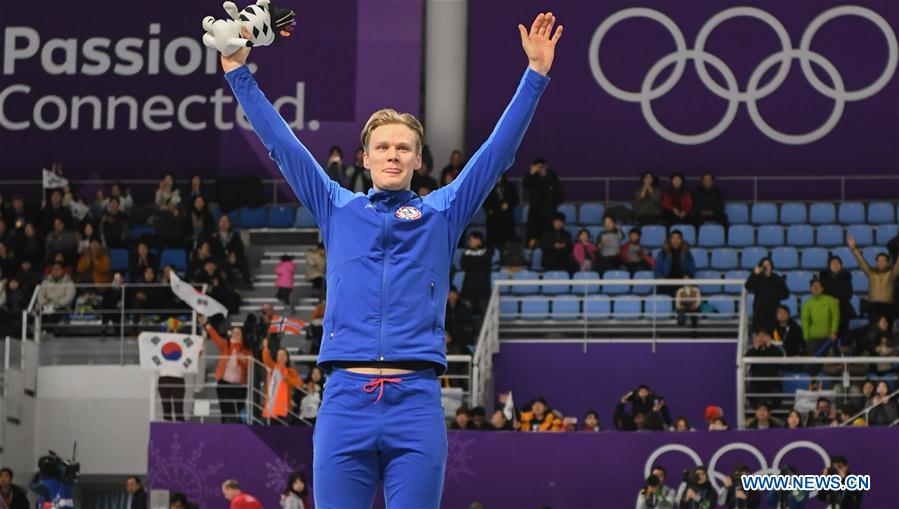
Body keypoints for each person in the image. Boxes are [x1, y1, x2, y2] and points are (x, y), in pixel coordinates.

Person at [221, 11, 562, 508]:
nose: (393, 155)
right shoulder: (336, 206)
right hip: (342, 404)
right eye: (382, 147)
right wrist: (237, 73)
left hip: (416, 404)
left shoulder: (442, 212)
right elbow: (282, 146)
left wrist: (535, 76)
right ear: (365, 157)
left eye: (404, 148)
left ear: (419, 160)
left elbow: (496, 154)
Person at [202, 316, 251, 424]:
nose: (235, 334)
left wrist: (243, 360)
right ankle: (224, 430)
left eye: (238, 333)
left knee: (239, 410)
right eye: (233, 332)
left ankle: (239, 431)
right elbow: (215, 337)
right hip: (224, 383)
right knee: (225, 410)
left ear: (242, 336)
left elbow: (250, 364)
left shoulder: (247, 349)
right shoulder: (225, 345)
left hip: (239, 385)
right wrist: (206, 324)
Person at [849, 234, 899, 325]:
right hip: (873, 307)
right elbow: (861, 262)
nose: (881, 262)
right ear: (876, 262)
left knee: (886, 334)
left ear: (887, 263)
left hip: (887, 307)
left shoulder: (891, 274)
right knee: (873, 332)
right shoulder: (871, 273)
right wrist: (854, 249)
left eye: (884, 260)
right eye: (879, 260)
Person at [261, 338, 304, 422]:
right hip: (272, 406)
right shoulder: (273, 367)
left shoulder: (291, 371)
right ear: (276, 357)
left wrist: (286, 378)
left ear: (287, 358)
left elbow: (299, 383)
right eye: (279, 355)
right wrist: (266, 347)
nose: (281, 357)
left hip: (286, 408)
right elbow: (266, 359)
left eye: (283, 355)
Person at [523, 158, 564, 246]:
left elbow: (560, 193)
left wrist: (553, 205)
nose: (541, 169)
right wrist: (532, 173)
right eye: (539, 167)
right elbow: (526, 185)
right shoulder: (533, 177)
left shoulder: (551, 177)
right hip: (534, 213)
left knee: (547, 238)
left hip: (549, 214)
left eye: (543, 167)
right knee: (532, 237)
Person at [744, 257, 789, 335]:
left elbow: (786, 294)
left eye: (768, 264)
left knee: (775, 341)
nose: (766, 267)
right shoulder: (757, 278)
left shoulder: (777, 279)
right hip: (760, 316)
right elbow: (748, 286)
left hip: (774, 316)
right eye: (764, 265)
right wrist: (754, 274)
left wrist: (776, 293)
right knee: (760, 340)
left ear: (771, 266)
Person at [745, 329, 785, 410]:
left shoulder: (774, 349)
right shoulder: (753, 350)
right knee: (749, 393)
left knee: (778, 395)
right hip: (757, 382)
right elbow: (746, 359)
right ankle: (758, 411)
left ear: (769, 337)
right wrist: (755, 349)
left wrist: (770, 346)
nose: (762, 338)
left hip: (772, 382)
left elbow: (781, 357)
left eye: (764, 336)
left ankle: (769, 411)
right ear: (756, 338)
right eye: (759, 336)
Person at [801, 277, 840, 359]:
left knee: (830, 364)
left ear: (822, 289)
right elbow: (805, 322)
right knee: (811, 365)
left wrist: (834, 331)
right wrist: (806, 339)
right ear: (810, 289)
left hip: (829, 338)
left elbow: (835, 317)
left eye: (818, 286)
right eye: (813, 286)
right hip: (812, 339)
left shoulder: (831, 301)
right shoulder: (807, 304)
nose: (816, 288)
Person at [819, 255, 854, 339]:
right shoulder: (823, 278)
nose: (835, 265)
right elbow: (822, 293)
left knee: (844, 335)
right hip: (829, 308)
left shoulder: (846, 277)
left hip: (844, 309)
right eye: (833, 263)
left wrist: (839, 300)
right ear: (829, 265)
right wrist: (832, 300)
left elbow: (849, 293)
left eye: (838, 263)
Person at [482, 174, 518, 250]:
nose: (498, 179)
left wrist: (508, 204)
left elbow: (516, 200)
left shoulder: (509, 186)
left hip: (507, 218)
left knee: (508, 243)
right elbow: (484, 202)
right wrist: (489, 210)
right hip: (493, 219)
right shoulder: (488, 187)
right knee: (492, 242)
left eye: (499, 176)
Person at [654, 230, 695, 296]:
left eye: (678, 238)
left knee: (691, 293)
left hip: (682, 282)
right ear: (670, 239)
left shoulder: (687, 253)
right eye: (673, 238)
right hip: (666, 281)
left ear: (681, 240)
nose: (675, 240)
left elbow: (692, 266)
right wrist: (660, 277)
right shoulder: (663, 252)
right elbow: (657, 267)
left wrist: (688, 275)